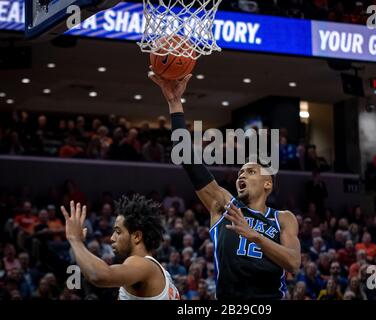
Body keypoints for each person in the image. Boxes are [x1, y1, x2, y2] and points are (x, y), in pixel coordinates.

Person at [149, 70, 301, 300]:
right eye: (240, 172)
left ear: (267, 183)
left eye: (250, 172)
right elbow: (189, 161)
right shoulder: (224, 206)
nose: (241, 176)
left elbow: (293, 263)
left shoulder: (283, 218)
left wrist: (255, 237)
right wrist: (175, 104)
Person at [61, 196, 180, 300]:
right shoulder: (165, 275)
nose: (112, 238)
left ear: (137, 236)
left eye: (118, 232)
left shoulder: (141, 263)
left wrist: (75, 240)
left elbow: (99, 276)